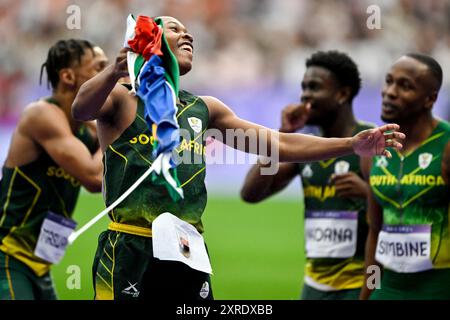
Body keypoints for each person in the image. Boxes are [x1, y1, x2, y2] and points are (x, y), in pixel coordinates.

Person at [72, 16, 404, 300]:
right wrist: (116, 70)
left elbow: (278, 144)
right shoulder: (122, 99)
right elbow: (81, 108)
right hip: (129, 247)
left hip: (187, 248)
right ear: (149, 42)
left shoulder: (205, 108)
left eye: (189, 31)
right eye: (174, 29)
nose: (188, 35)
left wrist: (350, 144)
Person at [241, 51, 372, 299]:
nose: (305, 96)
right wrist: (280, 136)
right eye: (303, 88)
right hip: (314, 286)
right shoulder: (306, 148)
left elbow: (405, 213)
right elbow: (251, 193)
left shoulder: (369, 143)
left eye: (314, 87)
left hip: (361, 284)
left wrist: (368, 194)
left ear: (342, 94)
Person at [0, 39, 108, 300]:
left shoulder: (87, 129)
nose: (107, 75)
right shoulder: (41, 114)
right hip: (7, 255)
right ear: (68, 76)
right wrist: (116, 131)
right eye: (98, 67)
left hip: (41, 262)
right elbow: (94, 178)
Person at [360, 54, 450, 300]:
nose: (390, 92)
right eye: (388, 82)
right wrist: (367, 293)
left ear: (430, 99)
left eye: (405, 86)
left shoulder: (447, 146)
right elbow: (375, 229)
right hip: (387, 289)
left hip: (439, 289)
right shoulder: (372, 149)